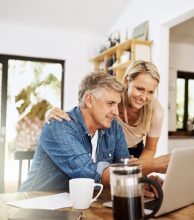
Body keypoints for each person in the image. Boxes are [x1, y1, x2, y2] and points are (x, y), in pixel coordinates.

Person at [19, 73, 169, 192]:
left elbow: (125, 166)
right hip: (35, 205)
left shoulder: (113, 127)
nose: (116, 112)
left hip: (80, 205)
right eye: (110, 104)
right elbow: (91, 175)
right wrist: (154, 164)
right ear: (89, 100)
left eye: (117, 104)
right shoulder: (59, 126)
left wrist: (142, 182)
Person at [46, 60, 164, 159]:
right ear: (127, 82)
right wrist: (52, 115)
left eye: (150, 92)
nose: (143, 97)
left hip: (134, 150)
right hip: (107, 146)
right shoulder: (112, 94)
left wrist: (142, 172)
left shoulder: (155, 111)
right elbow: (85, 108)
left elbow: (150, 148)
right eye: (139, 88)